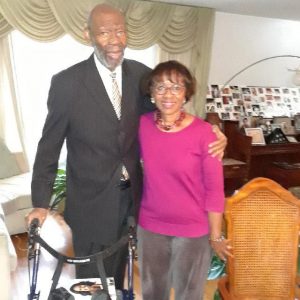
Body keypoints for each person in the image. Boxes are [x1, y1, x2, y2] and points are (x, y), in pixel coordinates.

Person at [26, 4, 227, 290]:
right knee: (92, 285)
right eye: (105, 32)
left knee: (121, 280)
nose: (115, 39)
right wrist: (40, 204)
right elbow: (49, 146)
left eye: (120, 31)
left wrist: (213, 131)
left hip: (134, 202)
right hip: (90, 203)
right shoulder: (67, 83)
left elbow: (165, 114)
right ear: (88, 35)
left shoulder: (141, 75)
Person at [137, 60, 232, 300]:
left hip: (192, 230)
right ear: (151, 93)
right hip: (151, 227)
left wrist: (215, 235)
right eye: (160, 87)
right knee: (151, 292)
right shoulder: (142, 125)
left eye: (176, 87)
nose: (168, 94)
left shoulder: (205, 133)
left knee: (189, 294)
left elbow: (214, 190)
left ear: (186, 94)